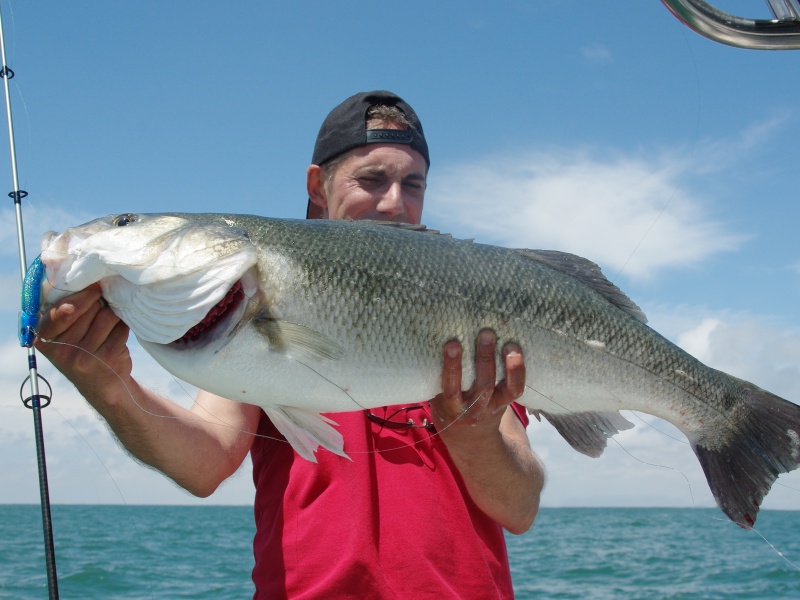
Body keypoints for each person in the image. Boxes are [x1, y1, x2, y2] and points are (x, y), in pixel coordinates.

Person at [36, 90, 545, 599]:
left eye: (412, 184)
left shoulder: (471, 309)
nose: (395, 202)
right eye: (370, 179)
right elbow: (205, 462)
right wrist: (107, 384)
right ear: (316, 186)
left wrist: (476, 435)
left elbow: (519, 509)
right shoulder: (243, 311)